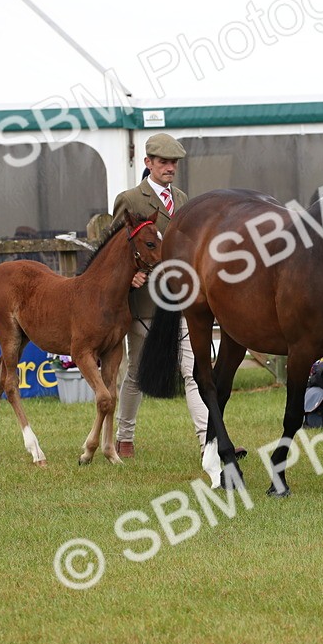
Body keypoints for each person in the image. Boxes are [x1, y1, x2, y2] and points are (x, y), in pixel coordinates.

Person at [111, 133, 211, 459]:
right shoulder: (130, 199)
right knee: (137, 371)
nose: (170, 168)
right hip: (145, 303)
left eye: (173, 163)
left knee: (193, 371)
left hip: (182, 300)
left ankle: (208, 442)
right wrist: (130, 277)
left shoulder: (183, 199)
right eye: (163, 162)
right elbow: (114, 250)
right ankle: (124, 437)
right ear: (148, 163)